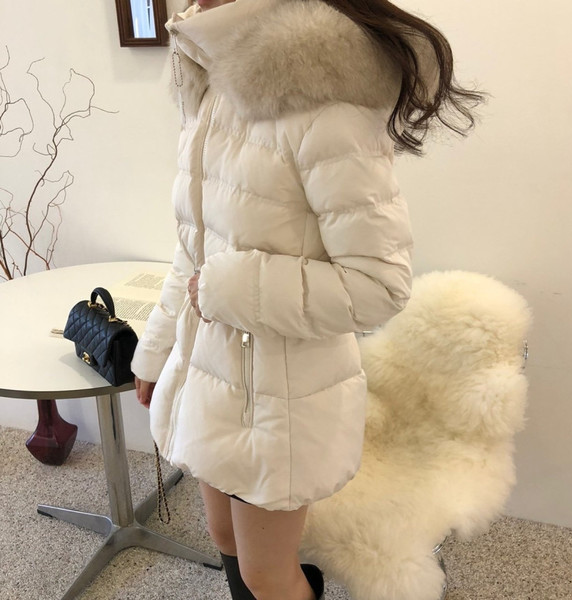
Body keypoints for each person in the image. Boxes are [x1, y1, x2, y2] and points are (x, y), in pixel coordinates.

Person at [132, 0, 482, 598]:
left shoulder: (324, 105)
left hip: (283, 399)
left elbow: (379, 284)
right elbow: (195, 247)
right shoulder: (211, 84)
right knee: (224, 536)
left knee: (266, 574)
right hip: (212, 374)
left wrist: (228, 288)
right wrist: (158, 347)